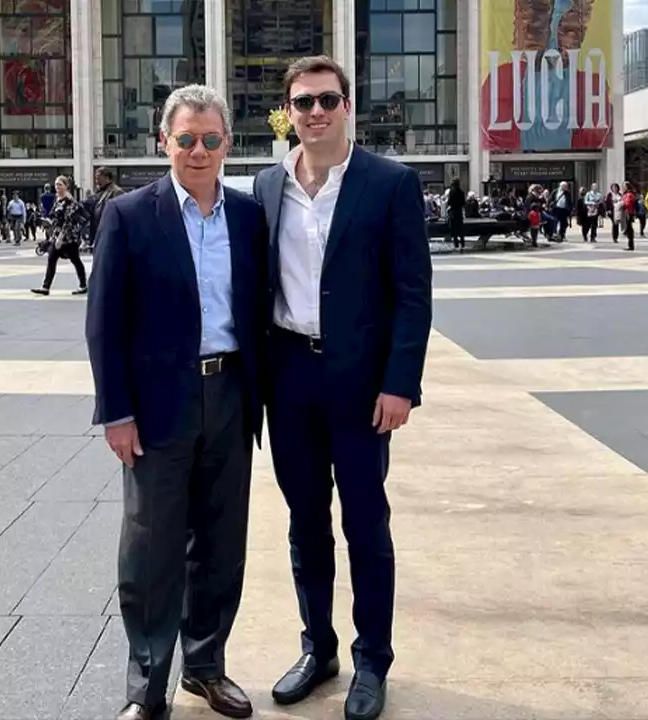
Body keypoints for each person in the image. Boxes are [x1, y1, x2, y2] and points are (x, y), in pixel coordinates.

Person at [252, 55, 432, 720]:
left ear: (347, 106)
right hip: (290, 376)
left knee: (365, 523)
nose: (316, 112)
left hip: (360, 385)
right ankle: (318, 647)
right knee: (305, 524)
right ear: (288, 113)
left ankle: (372, 659)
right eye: (303, 102)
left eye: (328, 99)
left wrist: (400, 385)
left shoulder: (389, 183)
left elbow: (413, 295)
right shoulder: (267, 186)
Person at [86, 84, 268, 720]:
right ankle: (146, 687)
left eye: (211, 140)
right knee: (151, 545)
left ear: (227, 144)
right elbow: (104, 321)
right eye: (186, 139)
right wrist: (116, 411)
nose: (199, 151)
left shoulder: (247, 219)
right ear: (164, 142)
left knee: (222, 541)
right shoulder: (131, 215)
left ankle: (207, 666)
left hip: (231, 395)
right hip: (158, 405)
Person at [30, 175, 89, 296]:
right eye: (56, 184)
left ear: (66, 186)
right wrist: (47, 223)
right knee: (51, 259)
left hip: (68, 237)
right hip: (56, 236)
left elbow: (69, 221)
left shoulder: (70, 201)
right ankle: (45, 287)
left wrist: (61, 238)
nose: (57, 187)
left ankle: (83, 285)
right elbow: (54, 217)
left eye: (60, 184)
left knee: (75, 260)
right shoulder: (57, 200)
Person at [445, 178, 466, 251]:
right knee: (460, 229)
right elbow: (463, 203)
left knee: (454, 230)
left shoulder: (452, 192)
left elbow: (449, 202)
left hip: (453, 212)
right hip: (459, 212)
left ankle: (456, 244)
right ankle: (462, 244)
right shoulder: (462, 192)